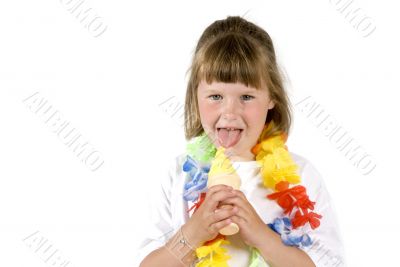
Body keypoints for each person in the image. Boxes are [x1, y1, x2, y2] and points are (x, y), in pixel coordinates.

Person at [137, 15, 345, 267]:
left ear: (272, 98)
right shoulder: (178, 175)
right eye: (215, 96)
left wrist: (261, 237)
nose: (230, 111)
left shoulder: (301, 175)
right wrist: (193, 233)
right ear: (195, 97)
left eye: (246, 96)